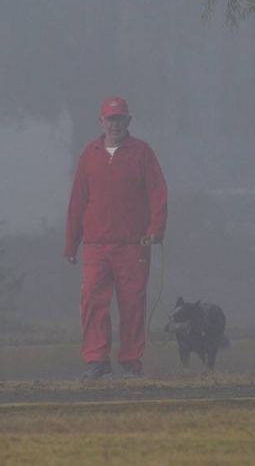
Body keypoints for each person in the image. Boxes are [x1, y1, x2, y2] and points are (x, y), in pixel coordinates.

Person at [64, 96, 167, 379]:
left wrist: (155, 230)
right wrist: (71, 242)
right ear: (102, 122)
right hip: (96, 245)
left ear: (128, 121)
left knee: (132, 301)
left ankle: (131, 358)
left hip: (134, 244)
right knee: (93, 300)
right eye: (110, 120)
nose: (115, 125)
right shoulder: (89, 155)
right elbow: (77, 201)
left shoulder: (142, 153)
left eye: (120, 119)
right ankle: (96, 358)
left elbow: (157, 193)